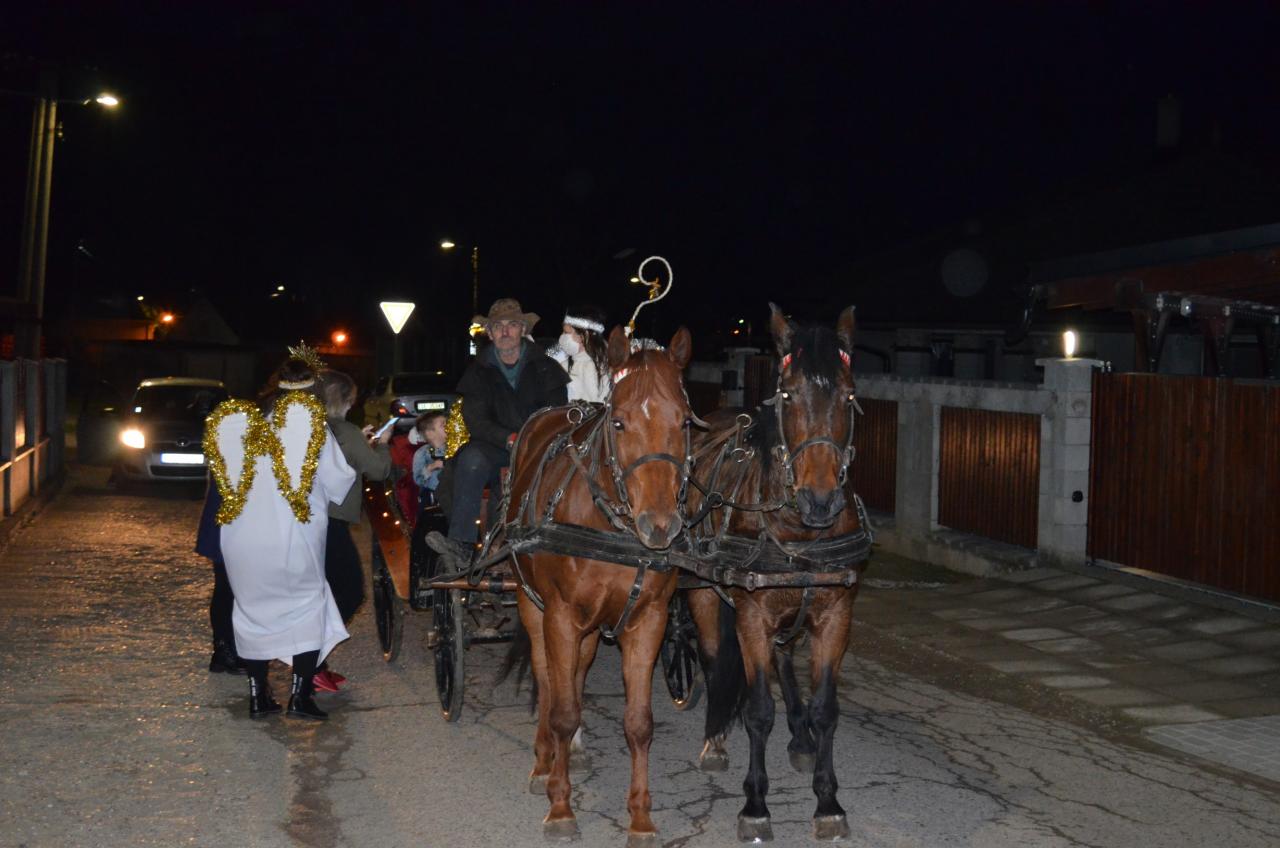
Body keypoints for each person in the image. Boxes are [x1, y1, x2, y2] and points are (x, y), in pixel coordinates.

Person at [216, 355, 356, 721]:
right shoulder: (311, 426)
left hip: (241, 538)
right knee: (308, 608)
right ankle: (300, 697)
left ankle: (258, 696)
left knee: (251, 611)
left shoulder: (242, 425)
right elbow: (339, 482)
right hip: (293, 536)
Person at [433, 298, 569, 558]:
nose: (505, 331)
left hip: (539, 447)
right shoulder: (477, 373)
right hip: (495, 446)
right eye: (498, 326)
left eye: (512, 325)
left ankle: (556, 542)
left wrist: (531, 438)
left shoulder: (546, 368)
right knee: (471, 460)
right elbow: (476, 421)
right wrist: (507, 437)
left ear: (523, 330)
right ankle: (462, 543)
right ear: (490, 333)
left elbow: (556, 413)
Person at [314, 368, 393, 692]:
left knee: (322, 592)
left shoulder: (316, 426)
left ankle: (313, 664)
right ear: (343, 399)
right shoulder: (344, 430)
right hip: (332, 522)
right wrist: (383, 445)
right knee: (350, 591)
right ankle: (310, 662)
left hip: (309, 521)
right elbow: (378, 470)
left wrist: (361, 441)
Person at [195, 483, 241, 674]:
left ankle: (225, 649)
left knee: (227, 588)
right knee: (227, 588)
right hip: (230, 519)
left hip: (230, 517)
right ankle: (225, 649)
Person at [555, 305, 612, 403]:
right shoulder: (562, 366)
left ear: (584, 336)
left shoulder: (606, 367)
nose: (562, 337)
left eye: (566, 332)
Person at [410, 411, 447, 506]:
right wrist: (431, 467)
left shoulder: (453, 448)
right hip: (433, 497)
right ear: (430, 433)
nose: (448, 427)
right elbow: (418, 479)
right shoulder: (422, 453)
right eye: (443, 425)